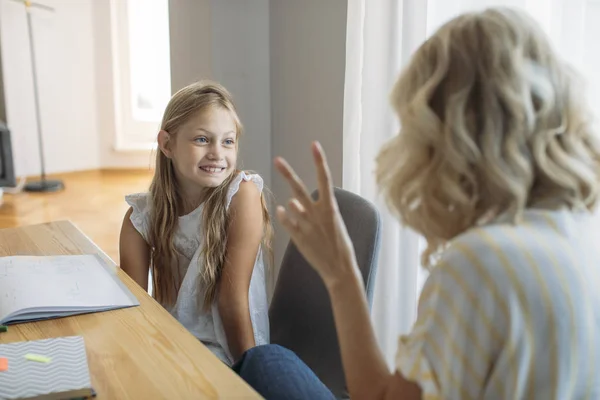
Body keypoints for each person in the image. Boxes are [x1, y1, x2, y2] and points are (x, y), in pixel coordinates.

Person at [235, 7, 600, 399]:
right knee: (268, 361)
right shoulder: (574, 234)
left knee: (263, 363)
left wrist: (342, 276)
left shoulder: (479, 264)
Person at [119, 80, 272, 365]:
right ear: (167, 144)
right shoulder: (141, 216)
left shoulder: (241, 196)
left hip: (229, 353)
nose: (217, 152)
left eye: (228, 141)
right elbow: (134, 307)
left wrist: (251, 377)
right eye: (202, 139)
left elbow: (232, 302)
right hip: (168, 345)